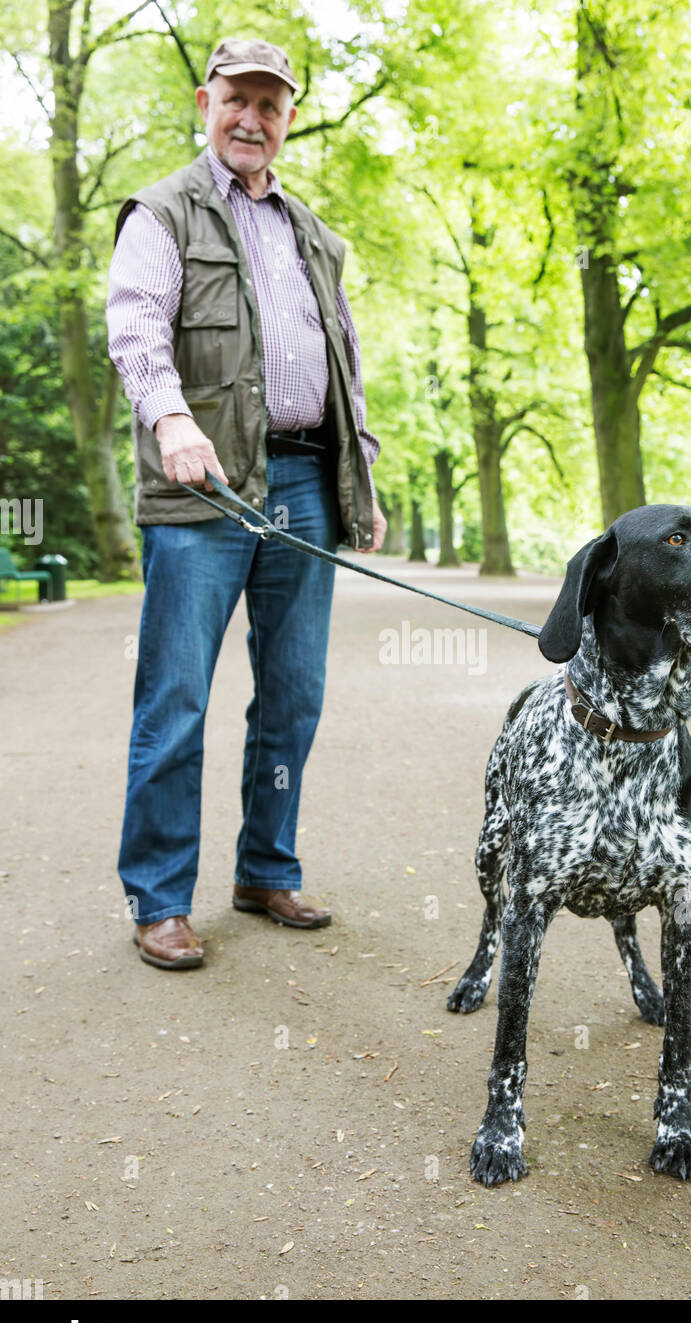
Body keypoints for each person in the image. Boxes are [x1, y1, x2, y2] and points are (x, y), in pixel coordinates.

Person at [107, 37, 386, 970]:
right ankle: (159, 896)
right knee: (176, 696)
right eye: (237, 100)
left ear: (288, 119)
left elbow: (342, 365)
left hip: (306, 484)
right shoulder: (163, 211)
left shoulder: (314, 233)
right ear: (205, 101)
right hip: (205, 488)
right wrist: (173, 421)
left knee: (294, 695)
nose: (251, 120)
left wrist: (363, 480)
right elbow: (137, 333)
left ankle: (266, 867)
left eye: (270, 106)